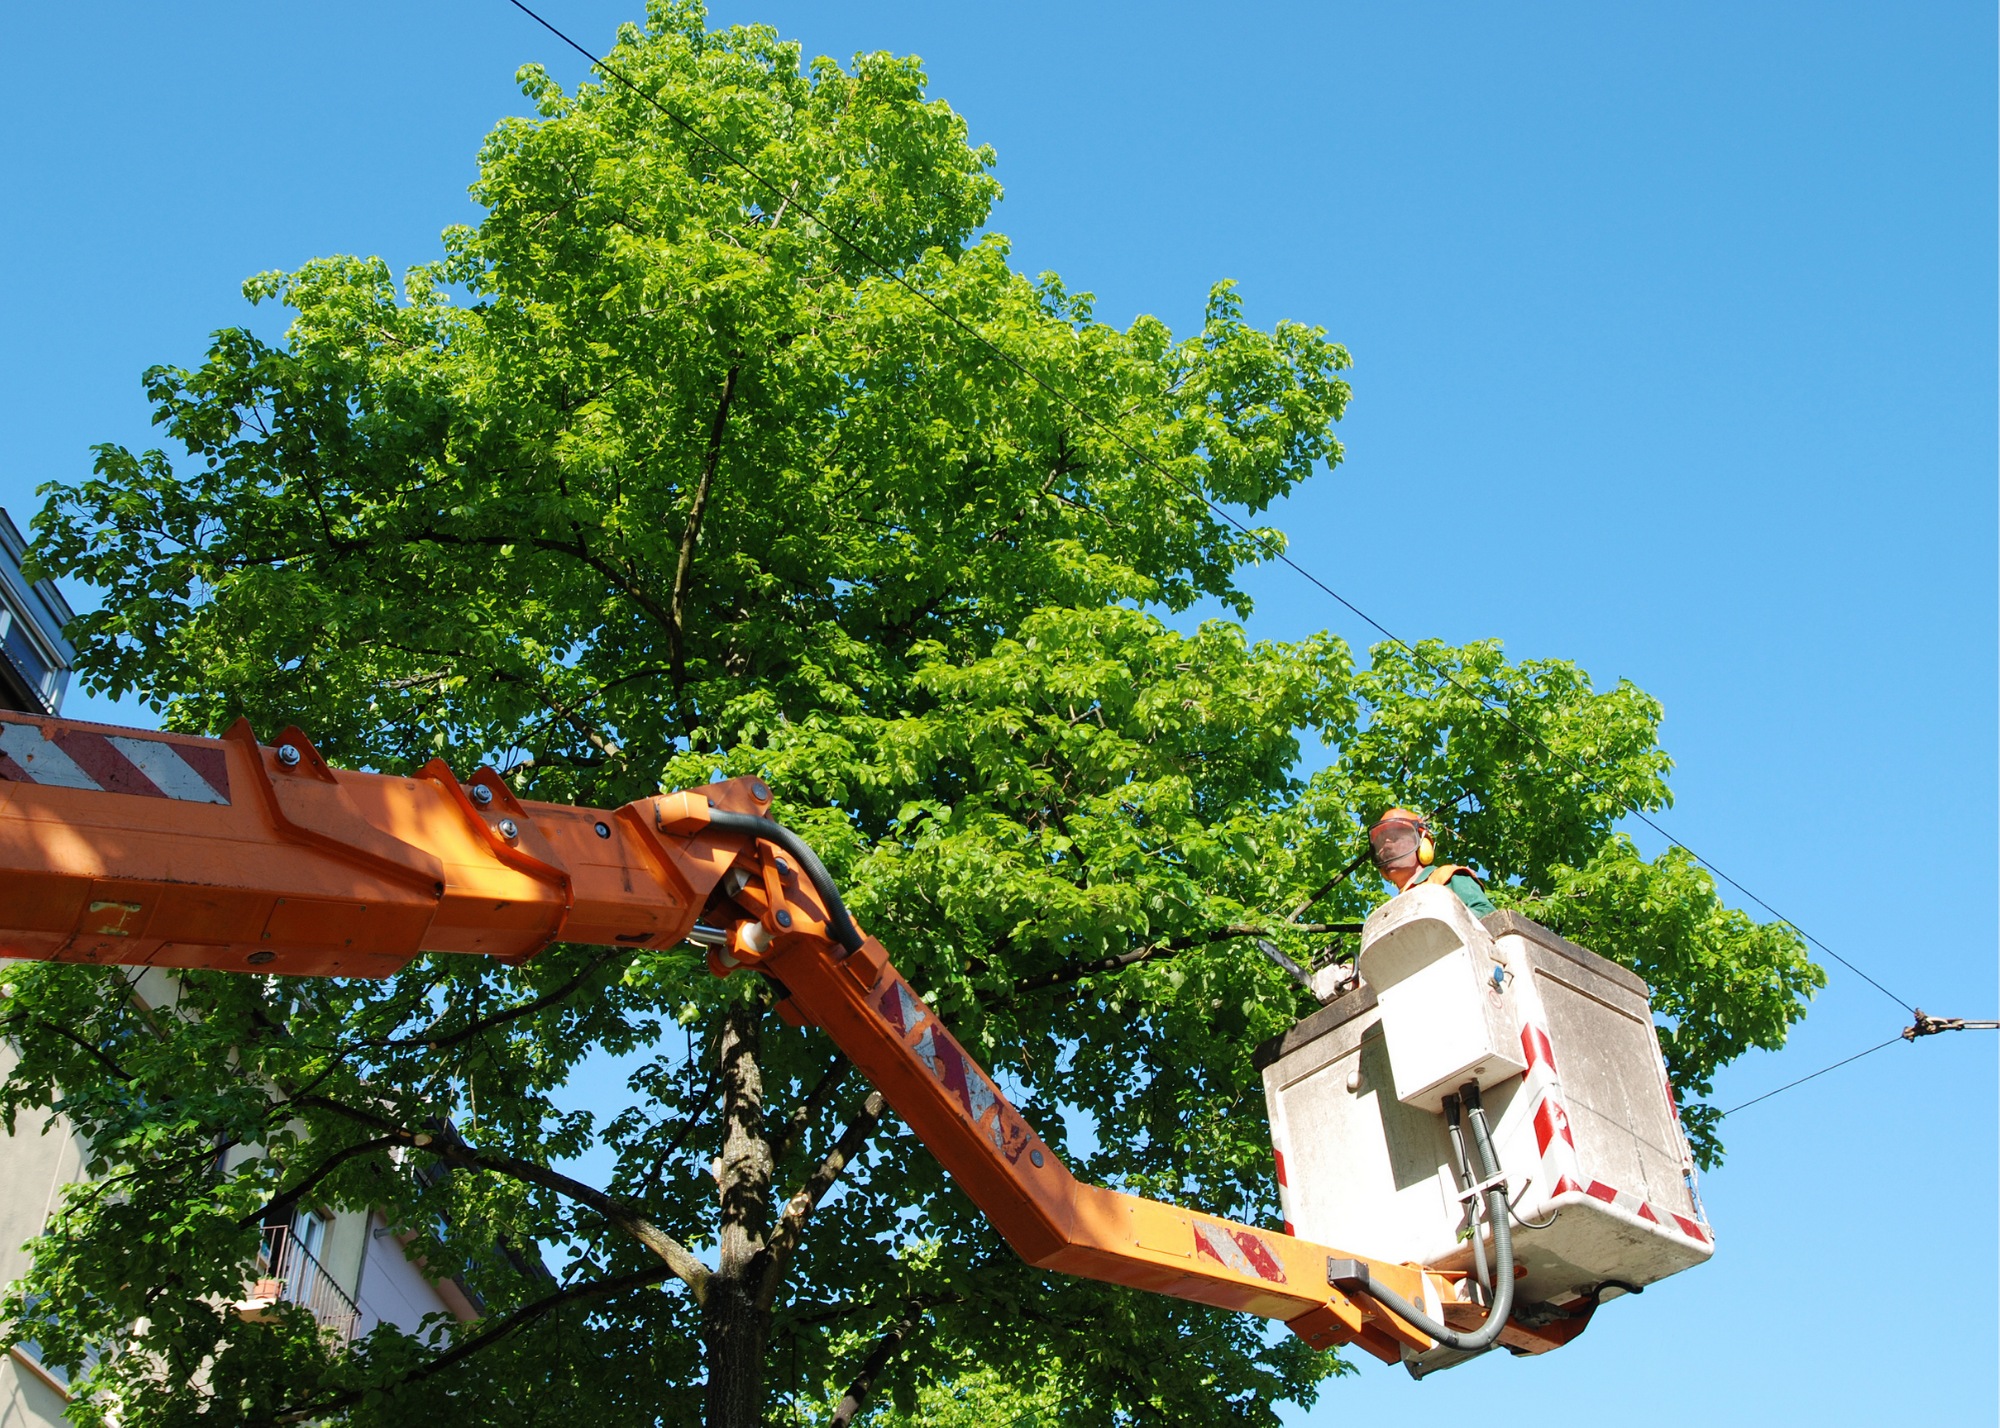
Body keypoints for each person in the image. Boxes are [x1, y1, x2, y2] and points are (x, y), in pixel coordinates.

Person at [1368, 807, 1496, 917]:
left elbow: (1487, 914)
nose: (1386, 846)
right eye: (1381, 844)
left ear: (1423, 844)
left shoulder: (1446, 876)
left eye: (1396, 838)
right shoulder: (1392, 910)